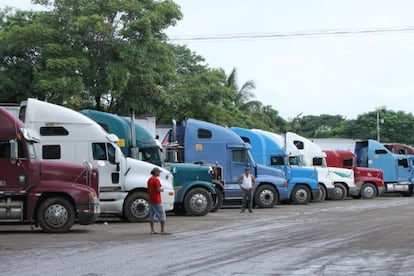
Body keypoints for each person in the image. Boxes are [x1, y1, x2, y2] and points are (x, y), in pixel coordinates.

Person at [147, 167, 170, 235]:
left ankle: (152, 230)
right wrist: (162, 190)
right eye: (159, 172)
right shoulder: (156, 180)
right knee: (161, 214)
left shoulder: (150, 179)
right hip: (157, 199)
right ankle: (162, 230)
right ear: (155, 172)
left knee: (152, 214)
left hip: (151, 199)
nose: (159, 173)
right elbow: (158, 189)